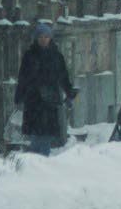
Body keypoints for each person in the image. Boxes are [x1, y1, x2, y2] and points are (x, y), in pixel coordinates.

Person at [16, 20, 76, 156]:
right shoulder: (29, 56)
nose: (43, 40)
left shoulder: (56, 56)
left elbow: (63, 76)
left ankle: (40, 165)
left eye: (46, 37)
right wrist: (19, 97)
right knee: (35, 137)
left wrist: (69, 92)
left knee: (45, 137)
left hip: (49, 102)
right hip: (33, 101)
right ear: (36, 38)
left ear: (50, 38)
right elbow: (23, 78)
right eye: (40, 37)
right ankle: (36, 166)